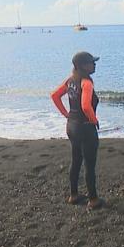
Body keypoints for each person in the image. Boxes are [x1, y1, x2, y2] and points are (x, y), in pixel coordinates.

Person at [51, 51, 103, 210]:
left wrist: (66, 114)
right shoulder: (86, 82)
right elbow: (86, 105)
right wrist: (94, 120)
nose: (94, 64)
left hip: (72, 126)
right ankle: (93, 199)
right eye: (91, 62)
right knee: (89, 163)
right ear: (82, 66)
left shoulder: (70, 80)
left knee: (76, 159)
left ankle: (73, 195)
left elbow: (54, 96)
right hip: (85, 128)